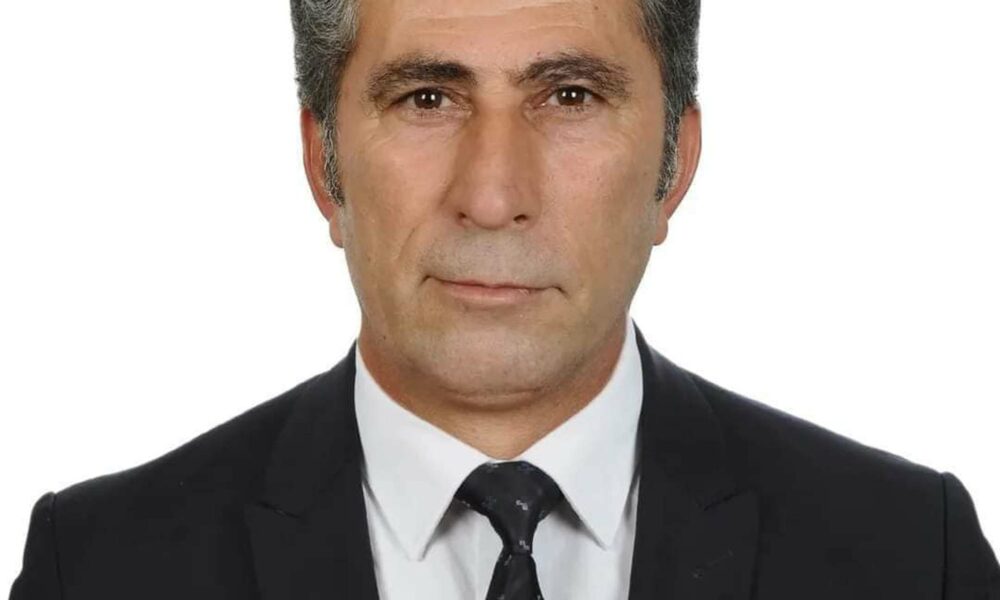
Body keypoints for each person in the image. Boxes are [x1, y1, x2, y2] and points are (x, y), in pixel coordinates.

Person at [9, 0, 998, 598]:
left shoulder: (913, 558)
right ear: (323, 164)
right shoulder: (99, 570)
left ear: (674, 164)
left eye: (569, 97)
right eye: (426, 98)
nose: (491, 196)